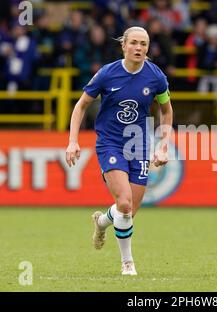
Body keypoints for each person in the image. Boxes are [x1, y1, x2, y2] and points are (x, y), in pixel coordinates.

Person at [65, 26, 173, 276]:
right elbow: (81, 106)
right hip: (110, 143)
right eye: (134, 43)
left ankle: (102, 222)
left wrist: (163, 144)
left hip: (138, 144)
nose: (139, 48)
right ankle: (128, 263)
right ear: (123, 45)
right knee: (124, 204)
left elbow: (166, 110)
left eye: (144, 44)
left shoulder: (156, 76)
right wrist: (73, 141)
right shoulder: (107, 74)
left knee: (129, 212)